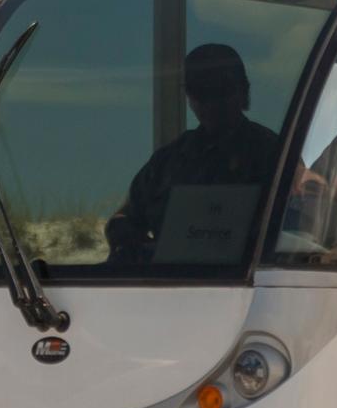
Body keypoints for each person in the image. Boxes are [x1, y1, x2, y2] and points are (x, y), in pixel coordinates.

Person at [107, 42, 282, 267]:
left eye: (220, 89)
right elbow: (125, 217)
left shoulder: (273, 154)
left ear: (243, 90)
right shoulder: (168, 161)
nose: (210, 102)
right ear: (189, 95)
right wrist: (125, 238)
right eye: (199, 90)